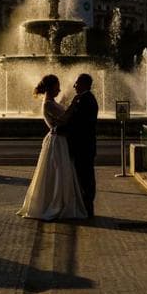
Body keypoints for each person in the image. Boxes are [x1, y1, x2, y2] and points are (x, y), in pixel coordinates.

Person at [17, 74, 87, 220]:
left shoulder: (51, 102)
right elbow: (64, 119)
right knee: (57, 172)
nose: (59, 89)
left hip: (59, 140)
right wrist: (74, 102)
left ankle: (59, 202)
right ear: (50, 87)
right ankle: (56, 205)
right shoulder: (48, 103)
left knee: (59, 173)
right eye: (57, 86)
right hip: (57, 141)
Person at [66, 73, 98, 216]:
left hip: (83, 147)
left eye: (76, 83)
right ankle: (86, 207)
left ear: (84, 84)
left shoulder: (85, 100)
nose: (74, 86)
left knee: (85, 178)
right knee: (85, 177)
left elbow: (77, 124)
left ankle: (87, 209)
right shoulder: (86, 99)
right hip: (85, 146)